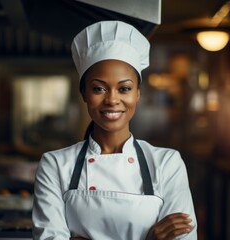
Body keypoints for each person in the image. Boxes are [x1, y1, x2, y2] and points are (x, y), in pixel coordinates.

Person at [32, 20, 197, 240]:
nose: (112, 99)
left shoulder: (167, 163)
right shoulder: (55, 165)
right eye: (98, 88)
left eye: (124, 88)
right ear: (84, 94)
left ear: (138, 93)